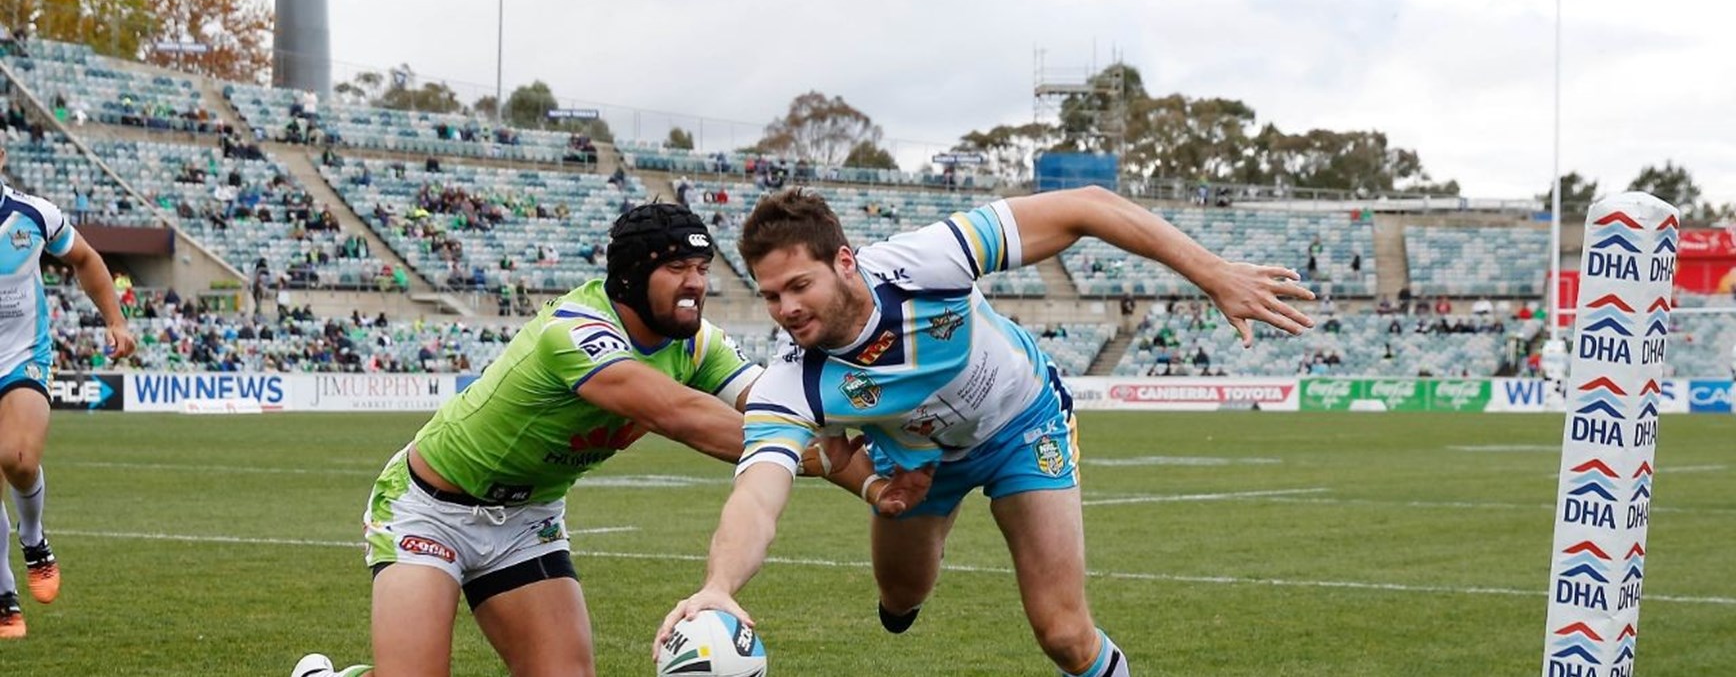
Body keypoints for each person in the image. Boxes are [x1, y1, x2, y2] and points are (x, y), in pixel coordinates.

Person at [656, 187, 1314, 676]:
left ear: (846, 263)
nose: (787, 309)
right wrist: (719, 585)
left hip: (1023, 425)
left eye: (800, 285)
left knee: (1063, 633)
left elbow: (1087, 206)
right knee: (899, 599)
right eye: (772, 296)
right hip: (917, 467)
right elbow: (756, 498)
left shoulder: (927, 262)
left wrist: (1212, 273)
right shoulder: (791, 381)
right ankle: (921, 553)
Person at [295, 203, 889, 676]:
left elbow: (784, 411)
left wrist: (878, 483)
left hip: (526, 520)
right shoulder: (576, 330)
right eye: (677, 268)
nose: (695, 284)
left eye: (702, 268)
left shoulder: (696, 342)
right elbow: (679, 414)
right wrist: (807, 456)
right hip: (431, 510)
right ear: (631, 276)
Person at [0, 146, 137, 638]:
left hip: (22, 357)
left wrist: (115, 321)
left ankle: (33, 535)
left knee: (17, 459)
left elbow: (85, 258)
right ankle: (4, 595)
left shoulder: (33, 215)